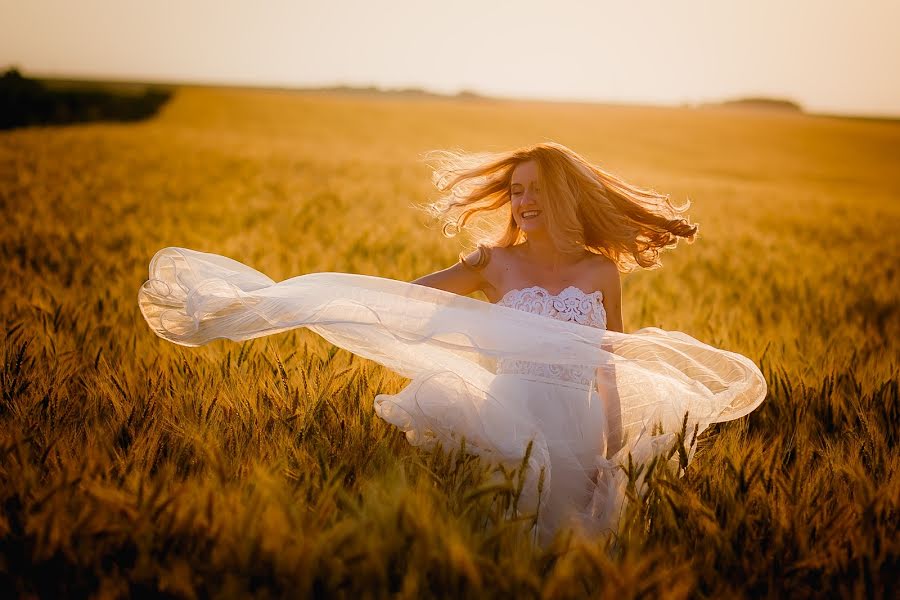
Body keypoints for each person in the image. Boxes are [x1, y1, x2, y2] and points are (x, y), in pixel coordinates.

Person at [138, 142, 767, 545]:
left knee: (569, 546)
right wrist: (321, 301)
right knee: (506, 532)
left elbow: (610, 362)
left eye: (535, 191)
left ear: (565, 197)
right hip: (509, 412)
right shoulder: (493, 262)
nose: (523, 202)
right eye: (516, 190)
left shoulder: (599, 271)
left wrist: (612, 445)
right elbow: (412, 296)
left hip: (576, 423)